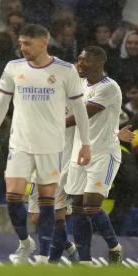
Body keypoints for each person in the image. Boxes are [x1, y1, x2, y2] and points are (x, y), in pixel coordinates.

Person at [0, 24, 91, 264]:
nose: (22, 48)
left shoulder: (64, 70)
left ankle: (42, 256)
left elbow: (80, 109)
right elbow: (2, 103)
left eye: (27, 43)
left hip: (51, 146)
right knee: (12, 196)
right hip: (19, 143)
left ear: (44, 42)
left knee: (47, 200)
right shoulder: (13, 67)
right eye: (20, 43)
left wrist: (85, 143)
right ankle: (24, 243)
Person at [64, 46, 125, 265]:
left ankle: (114, 246)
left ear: (99, 64)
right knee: (79, 206)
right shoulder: (79, 84)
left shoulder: (110, 88)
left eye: (85, 61)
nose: (79, 64)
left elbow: (82, 115)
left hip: (103, 154)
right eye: (78, 59)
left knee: (91, 205)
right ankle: (85, 262)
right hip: (79, 152)